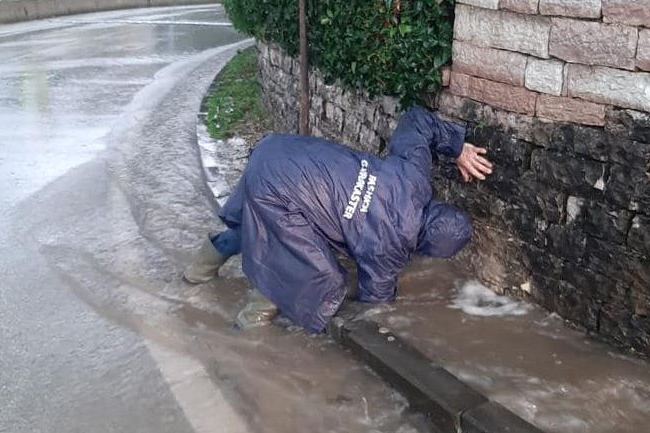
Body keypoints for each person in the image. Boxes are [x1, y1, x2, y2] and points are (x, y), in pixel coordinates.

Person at [184, 106, 493, 332]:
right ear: (430, 249)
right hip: (279, 191)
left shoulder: (414, 175)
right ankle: (246, 336)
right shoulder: (390, 249)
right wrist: (387, 324)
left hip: (276, 153)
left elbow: (417, 119)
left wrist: (457, 149)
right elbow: (375, 303)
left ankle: (194, 276)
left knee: (255, 225)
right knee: (309, 275)